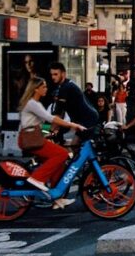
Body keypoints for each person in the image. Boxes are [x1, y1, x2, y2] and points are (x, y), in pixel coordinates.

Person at [18, 77, 86, 209]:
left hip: (35, 136)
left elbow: (41, 122)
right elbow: (50, 118)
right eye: (43, 87)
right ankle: (36, 179)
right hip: (31, 139)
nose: (46, 89)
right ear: (36, 89)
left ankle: (57, 198)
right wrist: (73, 125)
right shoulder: (32, 103)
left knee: (59, 164)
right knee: (62, 154)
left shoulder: (35, 103)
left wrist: (48, 132)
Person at [44, 62, 100, 142]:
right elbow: (59, 114)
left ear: (63, 74)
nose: (53, 77)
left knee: (76, 143)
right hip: (85, 119)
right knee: (73, 143)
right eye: (52, 74)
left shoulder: (65, 88)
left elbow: (58, 115)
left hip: (87, 120)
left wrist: (46, 132)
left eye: (56, 74)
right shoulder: (66, 84)